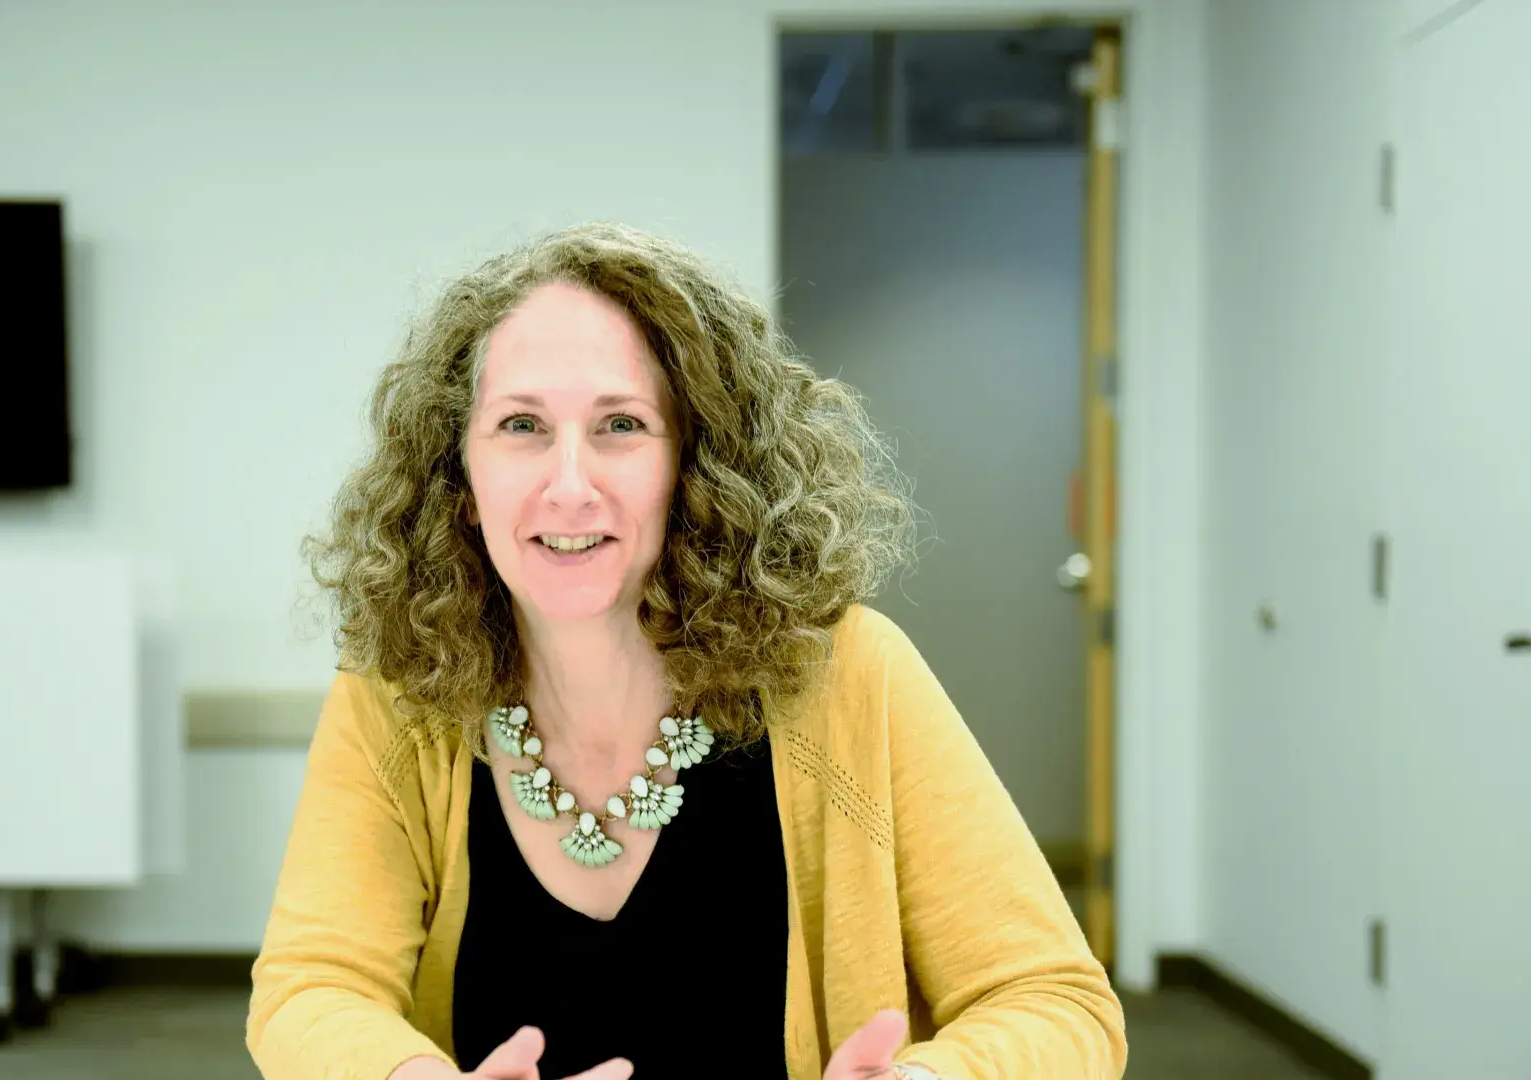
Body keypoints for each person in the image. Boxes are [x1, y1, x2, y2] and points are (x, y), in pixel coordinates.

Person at [245, 222, 1127, 1080]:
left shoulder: (849, 674)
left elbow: (1055, 1002)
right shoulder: (399, 695)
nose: (568, 486)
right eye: (520, 426)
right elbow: (311, 987)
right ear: (460, 480)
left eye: (621, 425)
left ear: (698, 464)